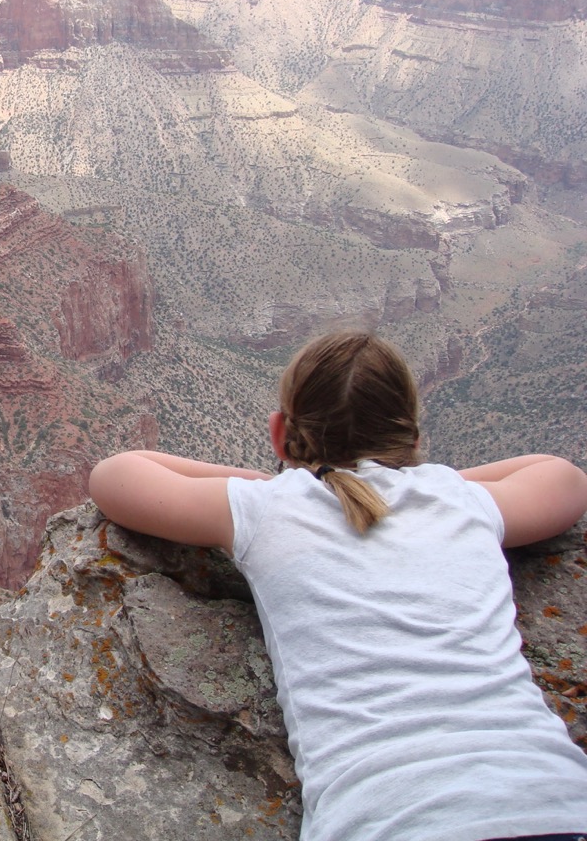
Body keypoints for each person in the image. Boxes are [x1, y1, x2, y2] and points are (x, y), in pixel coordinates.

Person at [89, 330, 587, 841]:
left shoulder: (266, 510)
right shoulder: (460, 501)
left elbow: (116, 474)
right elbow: (562, 477)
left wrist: (266, 483)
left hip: (386, 821)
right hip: (553, 804)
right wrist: (440, 485)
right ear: (414, 440)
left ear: (281, 434)